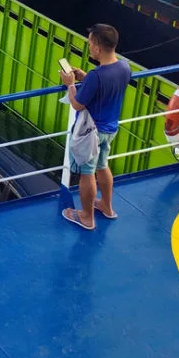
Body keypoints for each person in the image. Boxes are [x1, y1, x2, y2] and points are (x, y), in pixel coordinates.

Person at [60, 24, 131, 230]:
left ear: (98, 48)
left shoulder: (96, 75)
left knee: (87, 172)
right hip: (110, 128)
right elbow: (108, 86)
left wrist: (70, 84)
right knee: (102, 166)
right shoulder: (125, 67)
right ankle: (107, 208)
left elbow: (77, 103)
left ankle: (86, 217)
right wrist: (85, 77)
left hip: (92, 133)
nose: (89, 47)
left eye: (90, 43)